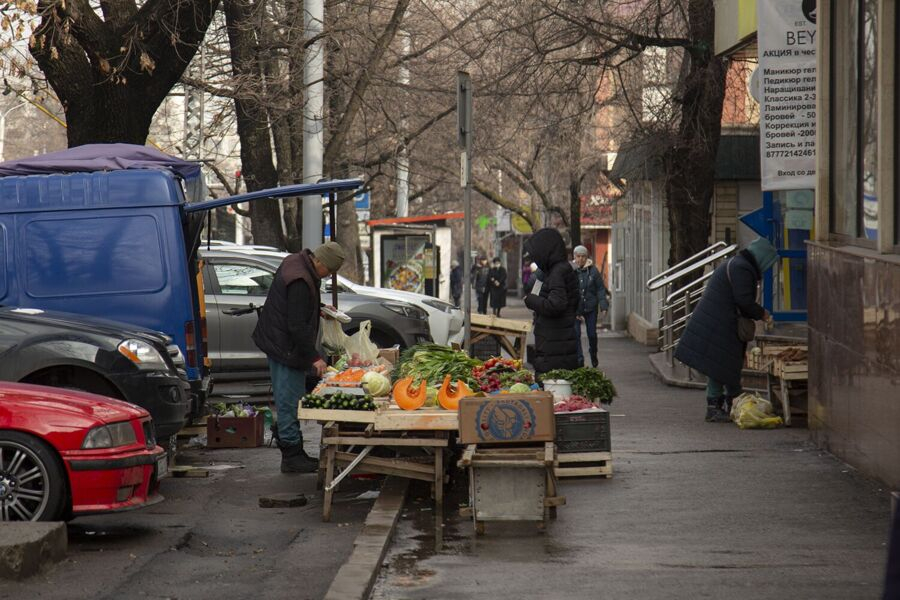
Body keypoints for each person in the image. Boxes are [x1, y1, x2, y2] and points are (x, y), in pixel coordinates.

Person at [252, 241, 346, 473]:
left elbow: (297, 307)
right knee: (289, 400)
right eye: (330, 271)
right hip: (284, 346)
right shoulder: (300, 279)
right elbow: (296, 325)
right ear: (322, 262)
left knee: (290, 396)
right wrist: (315, 357)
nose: (328, 276)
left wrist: (319, 308)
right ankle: (292, 456)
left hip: (282, 341)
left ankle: (293, 446)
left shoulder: (297, 262)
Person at [674, 237, 778, 423]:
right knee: (719, 365)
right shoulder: (742, 269)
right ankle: (714, 407)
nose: (766, 269)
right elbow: (744, 301)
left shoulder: (738, 264)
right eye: (767, 264)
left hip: (719, 321)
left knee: (725, 365)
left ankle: (734, 401)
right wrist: (762, 313)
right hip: (720, 323)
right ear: (761, 259)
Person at [523, 228, 580, 376]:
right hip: (557, 343)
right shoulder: (557, 270)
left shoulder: (557, 272)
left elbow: (557, 305)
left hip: (556, 346)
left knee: (552, 389)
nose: (534, 258)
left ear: (546, 250)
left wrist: (531, 300)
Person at [572, 245, 609, 368]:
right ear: (574, 257)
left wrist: (603, 306)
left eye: (583, 256)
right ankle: (579, 358)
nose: (581, 259)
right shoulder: (571, 270)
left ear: (586, 257)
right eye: (578, 256)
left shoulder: (593, 271)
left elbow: (600, 289)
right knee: (576, 333)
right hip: (576, 308)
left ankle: (593, 353)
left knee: (591, 334)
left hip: (591, 307)